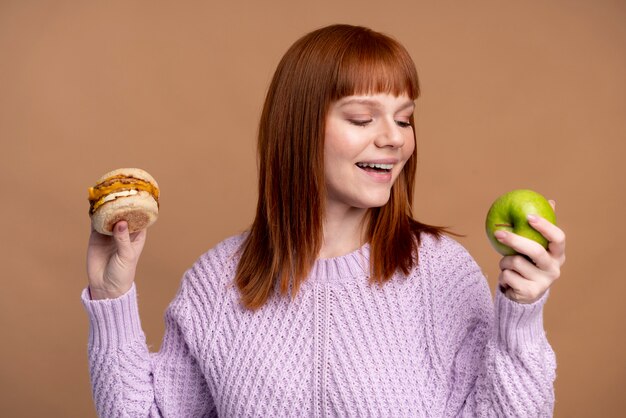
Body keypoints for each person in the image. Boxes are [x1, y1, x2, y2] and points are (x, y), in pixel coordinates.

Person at [83, 24, 566, 417]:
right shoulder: (216, 282)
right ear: (299, 127)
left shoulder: (441, 272)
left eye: (404, 118)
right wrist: (112, 299)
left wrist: (520, 318)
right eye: (362, 119)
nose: (394, 139)